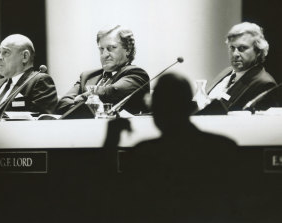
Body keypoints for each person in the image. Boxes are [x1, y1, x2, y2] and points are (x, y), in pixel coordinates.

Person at [104, 72, 241, 222]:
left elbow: (115, 201)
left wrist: (111, 142)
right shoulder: (223, 147)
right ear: (191, 107)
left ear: (154, 110)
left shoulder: (144, 153)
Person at [56, 25, 150, 115]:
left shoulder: (137, 74)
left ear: (128, 49)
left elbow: (111, 92)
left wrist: (82, 97)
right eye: (101, 49)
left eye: (111, 48)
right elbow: (63, 104)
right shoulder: (87, 76)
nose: (104, 55)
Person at [0, 34, 58, 117]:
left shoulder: (39, 81)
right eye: (0, 52)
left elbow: (41, 123)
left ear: (25, 56)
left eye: (5, 52)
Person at [205, 22, 277, 111]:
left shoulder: (265, 84)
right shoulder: (227, 72)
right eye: (232, 48)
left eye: (242, 48)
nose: (235, 54)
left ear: (258, 51)